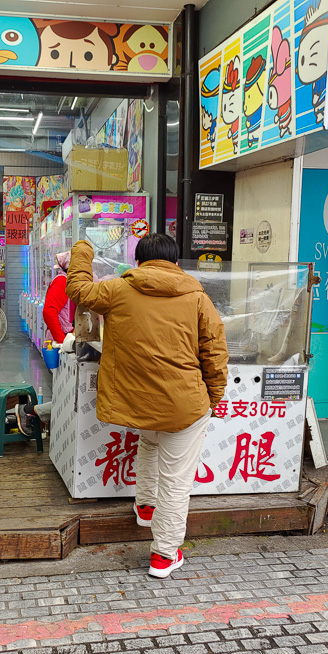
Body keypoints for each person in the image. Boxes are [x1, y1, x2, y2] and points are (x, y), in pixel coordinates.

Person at [65, 234, 229, 578]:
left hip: (139, 402)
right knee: (176, 481)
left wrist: (82, 250)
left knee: (149, 443)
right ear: (175, 261)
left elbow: (78, 290)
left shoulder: (118, 290)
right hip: (185, 405)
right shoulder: (197, 297)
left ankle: (145, 507)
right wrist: (212, 398)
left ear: (138, 261)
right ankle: (164, 555)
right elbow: (214, 354)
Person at [16, 252, 74, 432]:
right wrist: (62, 340)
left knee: (65, 389)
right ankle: (32, 412)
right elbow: (49, 311)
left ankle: (46, 421)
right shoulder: (62, 282)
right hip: (60, 342)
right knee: (65, 390)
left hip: (66, 340)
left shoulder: (70, 282)